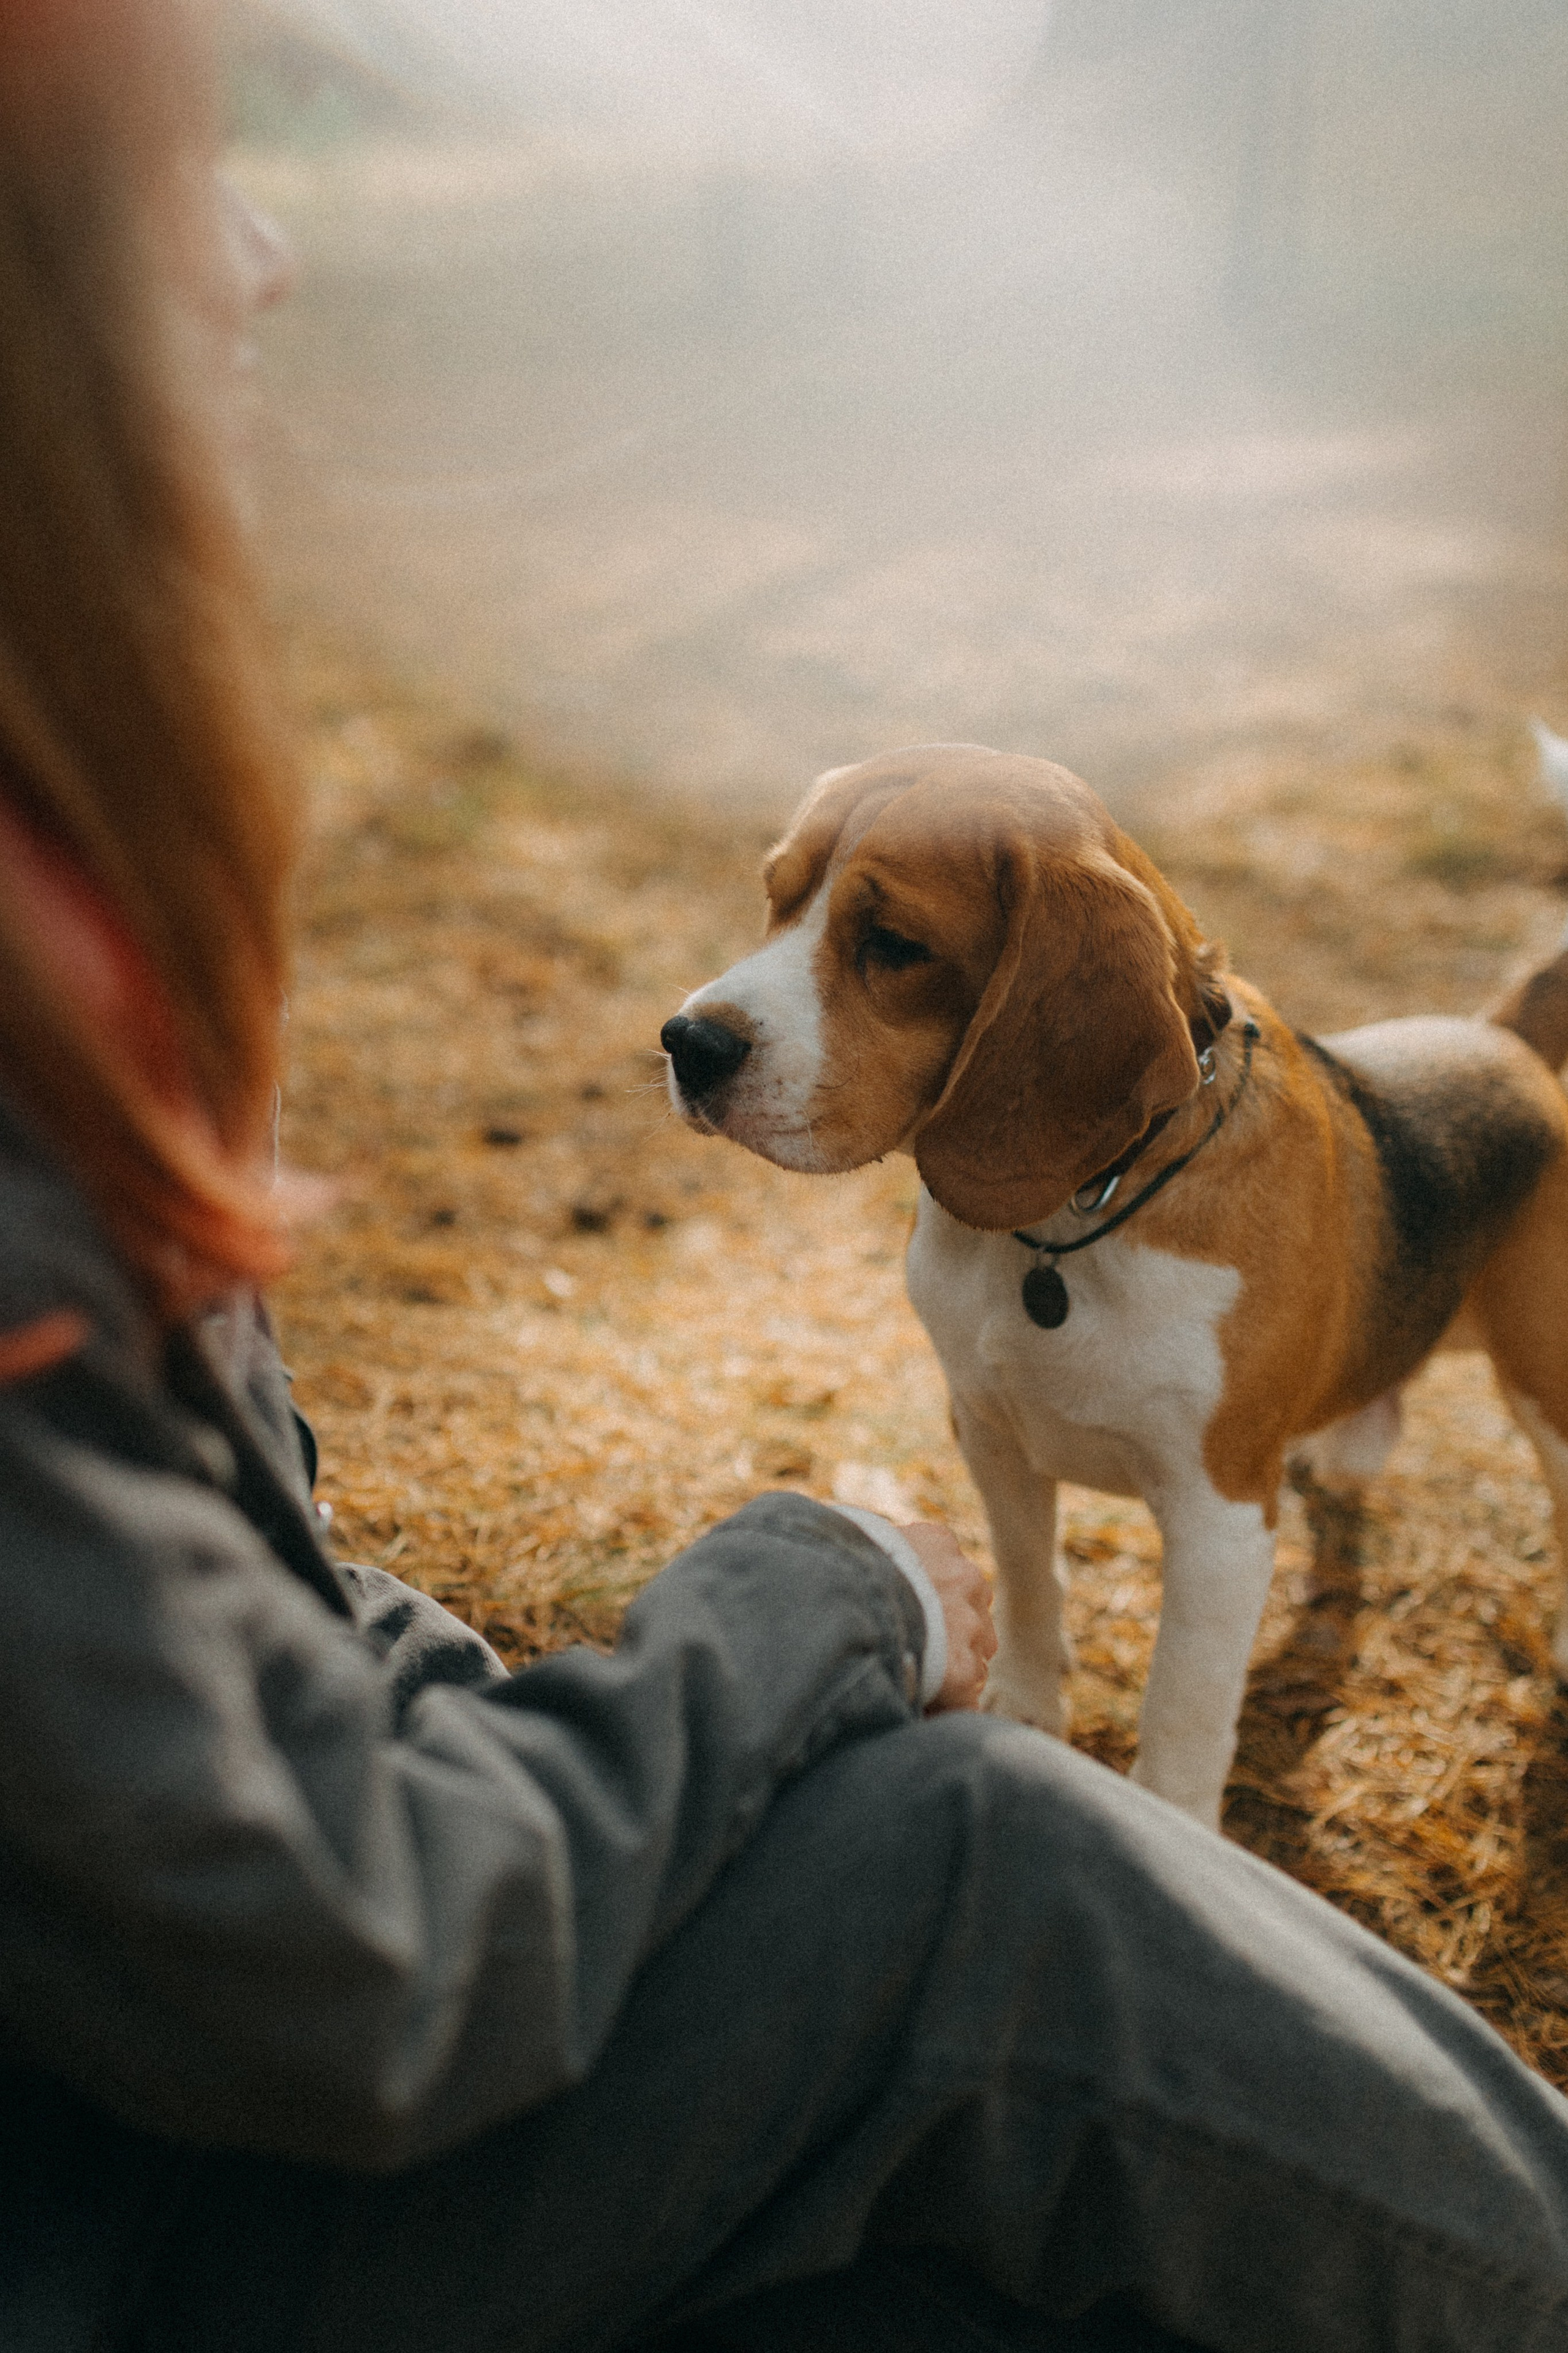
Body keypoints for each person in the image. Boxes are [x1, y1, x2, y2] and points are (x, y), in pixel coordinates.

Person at [4, 7, 1568, 2351]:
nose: (261, 259)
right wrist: (812, 1595)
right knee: (984, 1873)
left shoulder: (77, 1002)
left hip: (177, 2112)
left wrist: (612, 1727)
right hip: (129, 2224)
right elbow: (332, 1957)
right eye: (171, 187)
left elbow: (254, 1633)